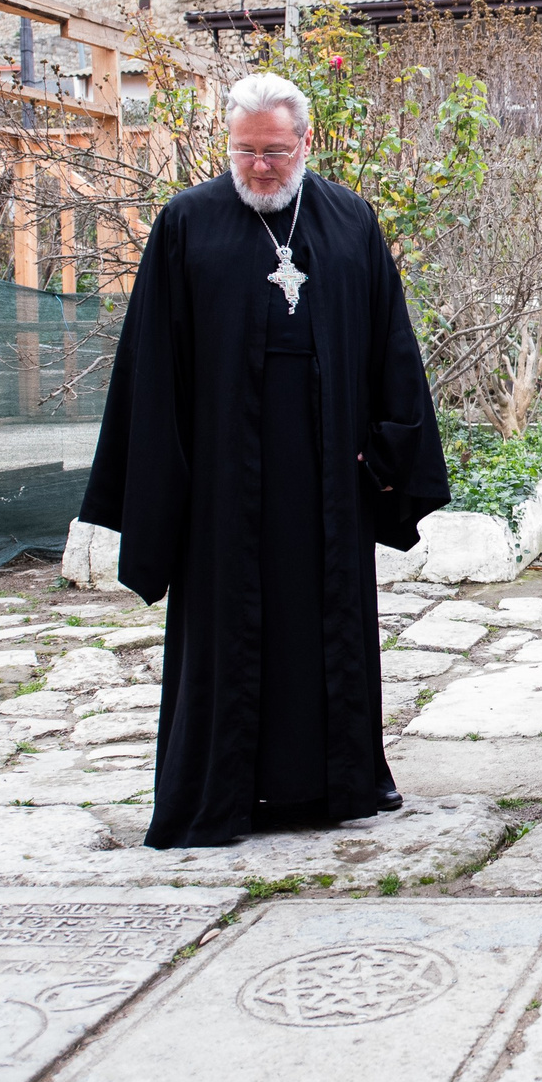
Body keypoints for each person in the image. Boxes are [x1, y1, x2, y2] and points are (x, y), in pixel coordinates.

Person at [82, 71, 451, 848]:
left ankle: (338, 779)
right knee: (231, 630)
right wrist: (165, 484)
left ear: (305, 143)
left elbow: (392, 345)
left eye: (275, 152)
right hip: (225, 486)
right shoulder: (187, 223)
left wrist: (387, 448)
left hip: (328, 478)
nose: (259, 167)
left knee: (327, 630)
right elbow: (151, 366)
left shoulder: (349, 220)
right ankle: (221, 790)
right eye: (245, 151)